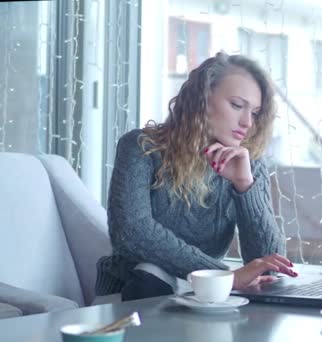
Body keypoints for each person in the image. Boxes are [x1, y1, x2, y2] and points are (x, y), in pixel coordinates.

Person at [94, 51, 297, 302]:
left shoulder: (248, 164)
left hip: (202, 295)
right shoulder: (140, 147)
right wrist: (223, 277)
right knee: (152, 271)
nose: (247, 122)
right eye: (236, 105)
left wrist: (244, 186)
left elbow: (270, 266)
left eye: (255, 112)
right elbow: (131, 233)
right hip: (133, 292)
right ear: (201, 100)